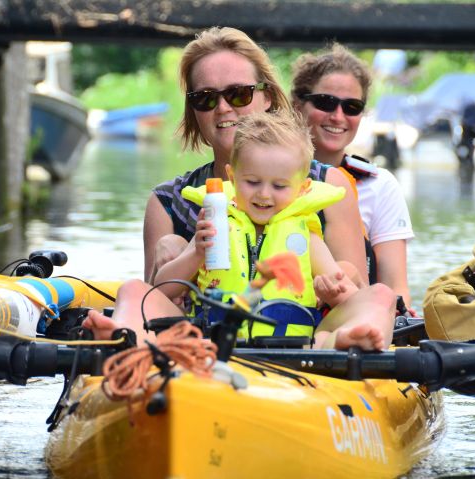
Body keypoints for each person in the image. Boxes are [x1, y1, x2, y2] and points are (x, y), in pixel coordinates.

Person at [87, 111, 396, 351]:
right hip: (208, 340)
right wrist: (195, 253)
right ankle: (126, 336)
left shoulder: (305, 236)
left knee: (380, 295)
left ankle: (346, 340)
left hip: (294, 346)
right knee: (133, 290)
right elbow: (160, 288)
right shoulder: (216, 224)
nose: (264, 194)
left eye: (279, 186)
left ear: (302, 189)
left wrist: (334, 292)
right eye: (252, 182)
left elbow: (347, 294)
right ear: (232, 178)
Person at [144, 27, 367, 288]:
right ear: (193, 110)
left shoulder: (330, 185)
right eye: (205, 98)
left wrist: (338, 279)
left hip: (303, 313)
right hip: (205, 313)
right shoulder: (167, 203)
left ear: (267, 97)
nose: (223, 108)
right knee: (137, 285)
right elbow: (151, 300)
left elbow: (358, 295)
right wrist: (176, 246)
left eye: (239, 94)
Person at [291, 43, 416, 313]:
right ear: (296, 104)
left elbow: (397, 288)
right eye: (325, 102)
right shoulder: (264, 177)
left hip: (355, 315)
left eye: (352, 107)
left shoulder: (380, 185)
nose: (338, 116)